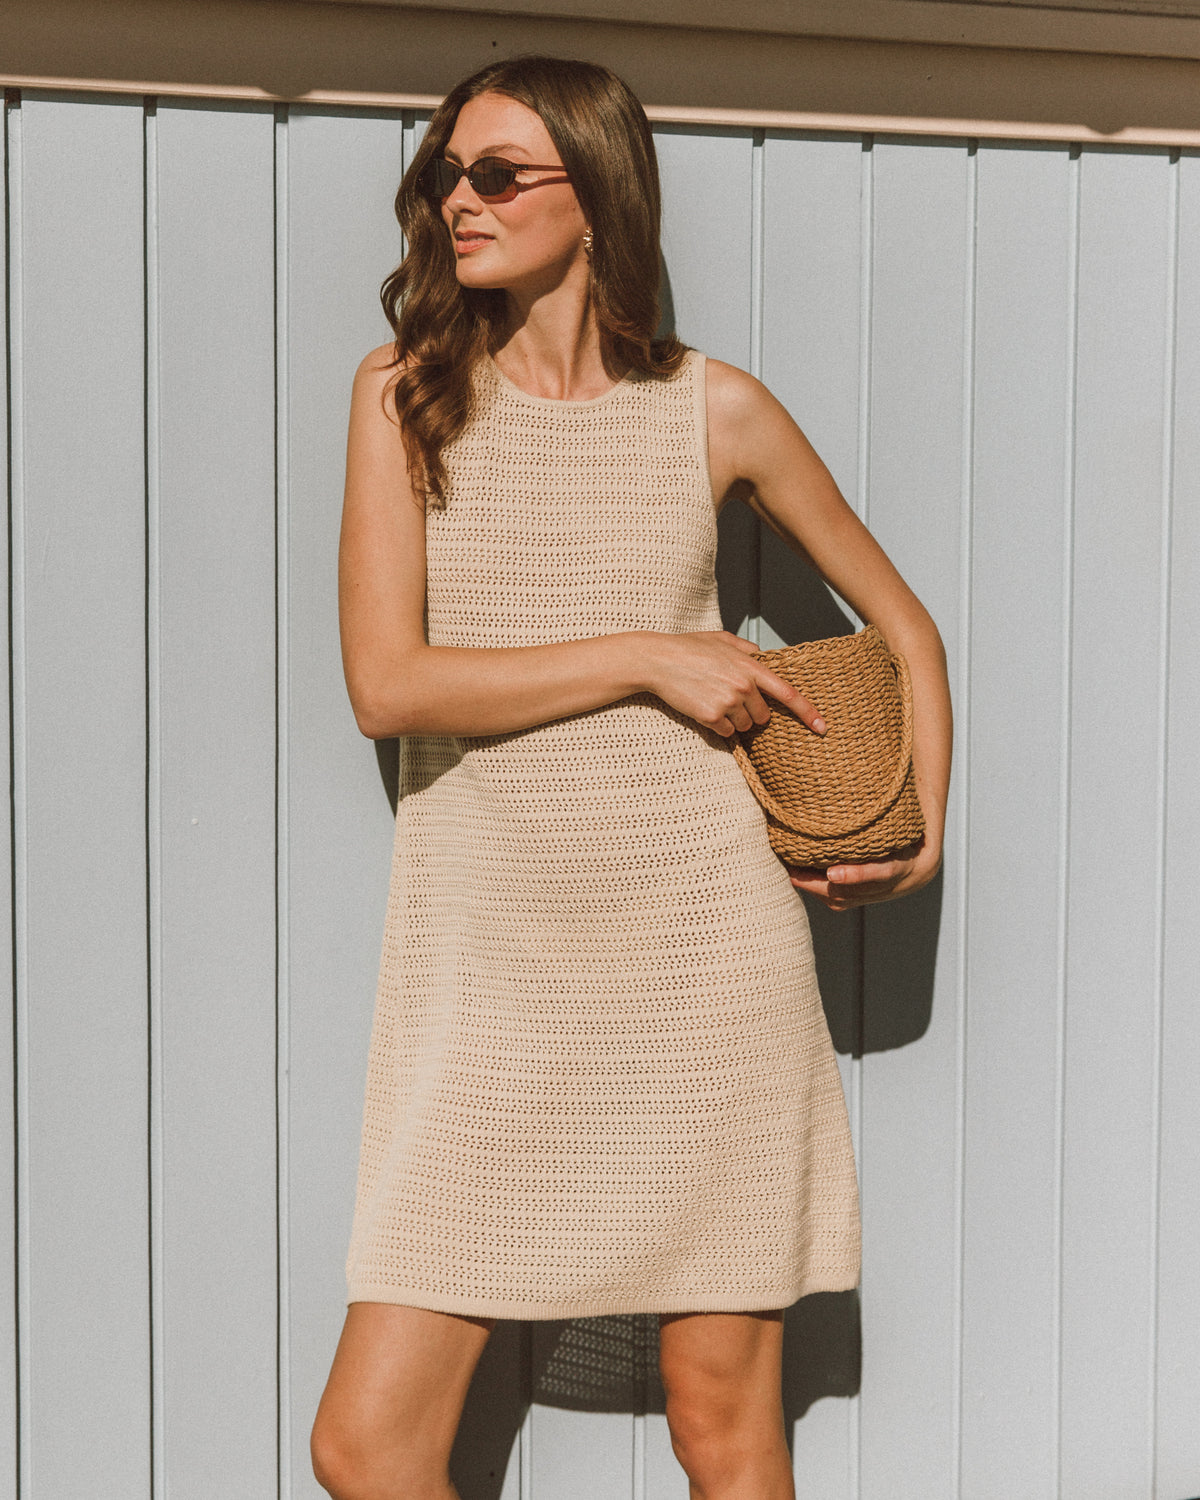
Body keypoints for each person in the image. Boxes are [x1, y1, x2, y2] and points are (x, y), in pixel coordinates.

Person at [311, 54, 951, 1500]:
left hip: (700, 949)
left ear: (594, 198)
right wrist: (656, 656)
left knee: (721, 1422)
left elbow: (907, 631)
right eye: (443, 176)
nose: (455, 202)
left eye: (495, 175)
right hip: (490, 961)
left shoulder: (713, 410)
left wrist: (920, 836)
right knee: (365, 1444)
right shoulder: (406, 394)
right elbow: (387, 684)